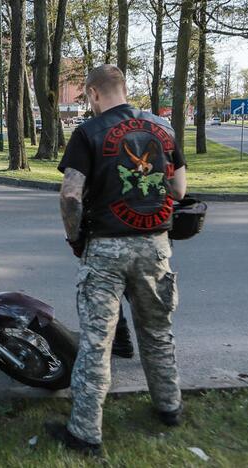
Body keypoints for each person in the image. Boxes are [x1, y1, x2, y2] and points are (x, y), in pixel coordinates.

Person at [47, 64, 188, 456]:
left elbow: (71, 195)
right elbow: (178, 189)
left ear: (92, 93)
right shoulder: (163, 129)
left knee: (96, 341)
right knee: (157, 332)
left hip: (106, 247)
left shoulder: (87, 132)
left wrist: (75, 237)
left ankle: (85, 434)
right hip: (155, 245)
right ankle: (169, 407)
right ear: (124, 88)